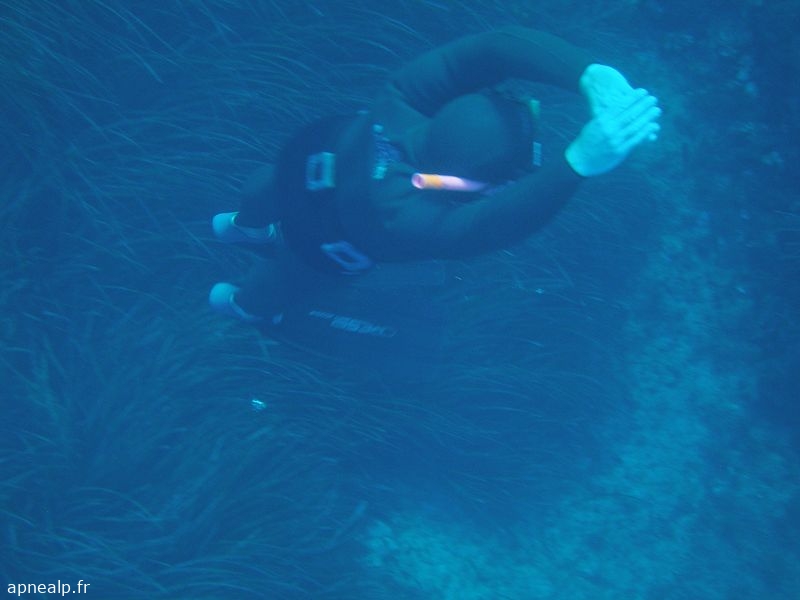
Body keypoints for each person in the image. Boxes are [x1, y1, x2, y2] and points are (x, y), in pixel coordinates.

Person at [208, 27, 661, 326]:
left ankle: (241, 227)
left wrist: (589, 74)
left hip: (303, 160)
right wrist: (578, 162)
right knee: (288, 274)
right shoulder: (406, 219)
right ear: (469, 181)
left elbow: (490, 49)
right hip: (321, 239)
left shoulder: (406, 97)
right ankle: (243, 307)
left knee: (267, 187)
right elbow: (497, 224)